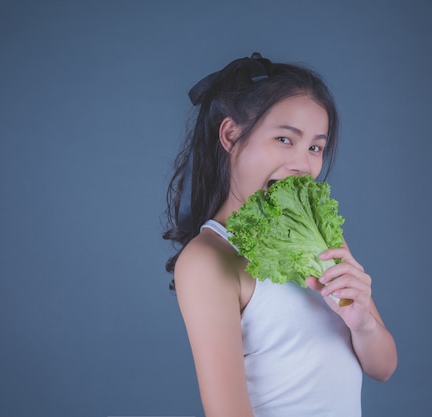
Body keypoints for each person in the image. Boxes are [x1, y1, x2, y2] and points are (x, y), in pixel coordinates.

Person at [163, 52, 397, 417]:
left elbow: (382, 367)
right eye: (285, 139)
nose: (304, 165)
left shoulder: (319, 233)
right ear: (230, 134)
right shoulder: (209, 259)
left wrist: (362, 322)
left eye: (315, 147)